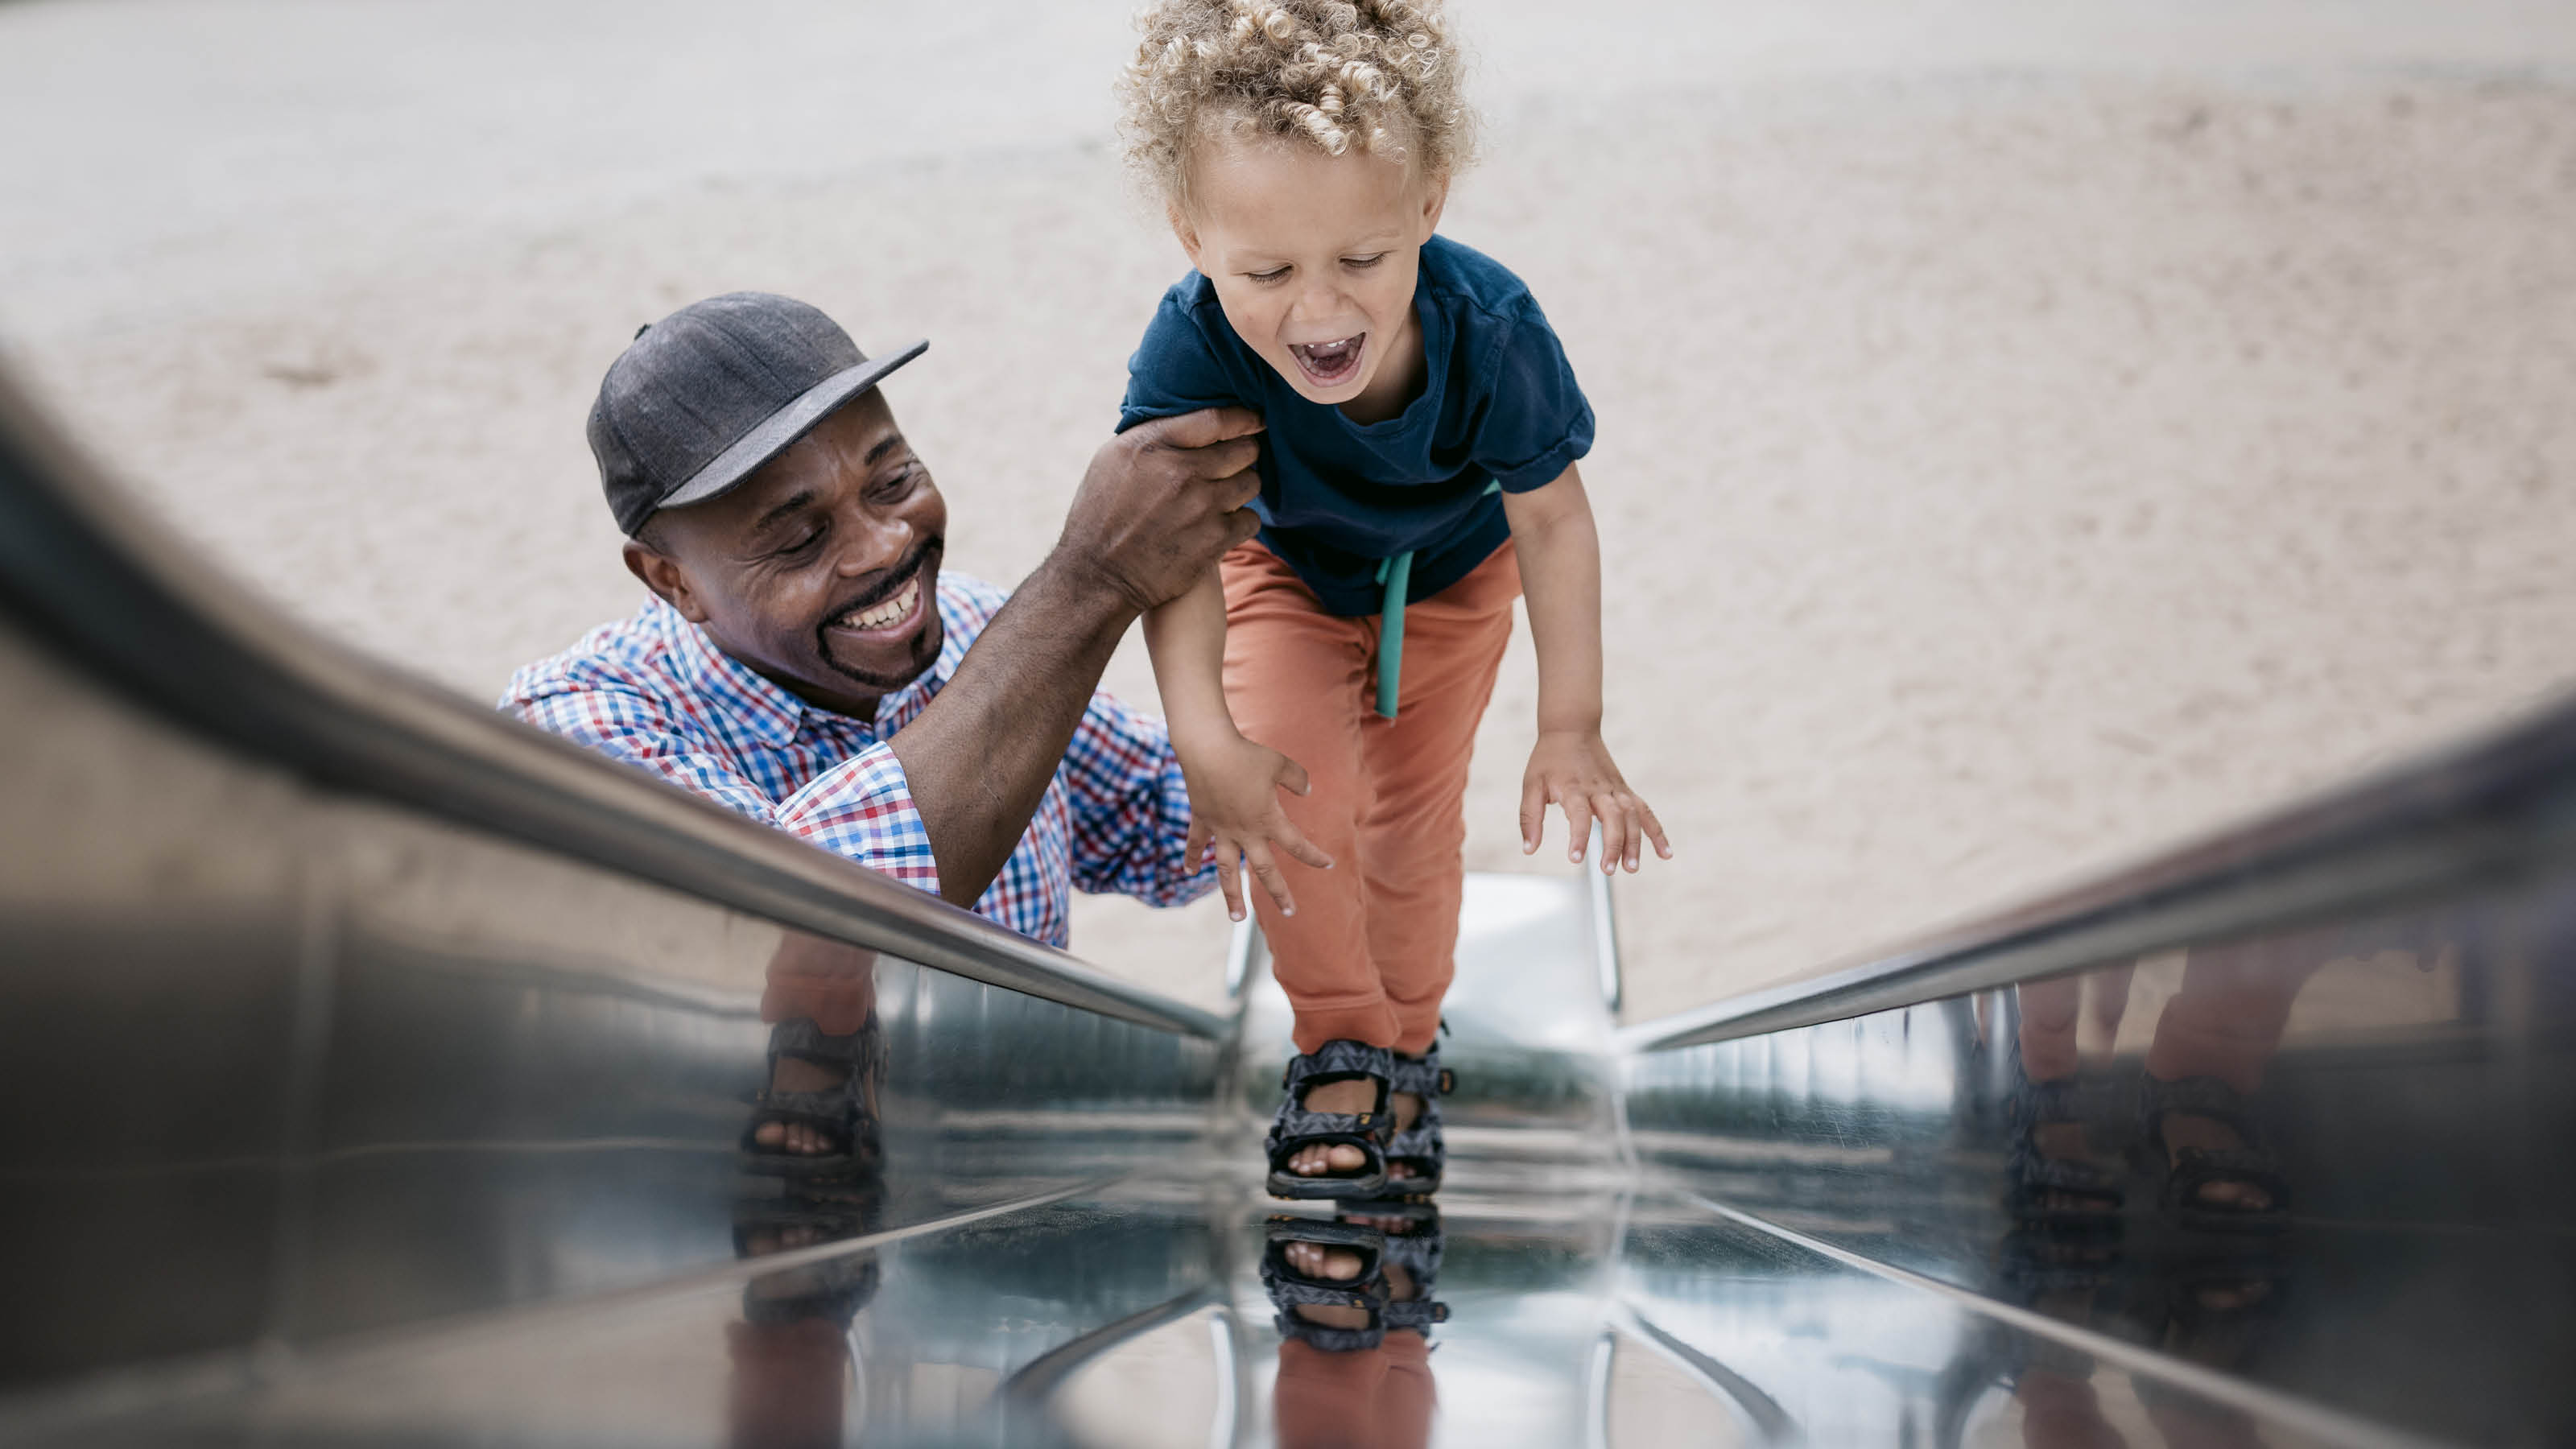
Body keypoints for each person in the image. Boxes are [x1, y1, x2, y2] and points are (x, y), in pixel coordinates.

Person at [1113, 0, 1670, 1199]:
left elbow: (1553, 517)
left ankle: (1408, 1049)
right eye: (1266, 270)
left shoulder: (1492, 330)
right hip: (1280, 574)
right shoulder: (1188, 347)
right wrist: (1204, 735)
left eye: (1362, 259)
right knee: (1295, 796)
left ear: (1427, 207)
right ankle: (1341, 1047)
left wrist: (1569, 725)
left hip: (1455, 583)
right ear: (1191, 235)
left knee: (1409, 833)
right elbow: (1178, 545)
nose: (1319, 313)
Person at [503, 291, 1264, 950]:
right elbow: (799, 931)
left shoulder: (973, 624)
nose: (886, 544)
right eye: (801, 538)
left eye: (894, 480)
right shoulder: (578, 729)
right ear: (672, 581)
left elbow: (1165, 816)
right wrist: (1092, 581)